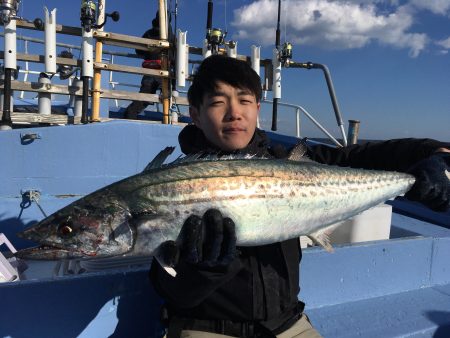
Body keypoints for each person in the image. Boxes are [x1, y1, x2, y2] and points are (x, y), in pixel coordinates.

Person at [149, 55, 450, 338]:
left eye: (245, 100)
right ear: (196, 115)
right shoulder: (170, 184)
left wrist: (433, 153)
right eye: (217, 102)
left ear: (257, 109)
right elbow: (169, 288)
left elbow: (362, 155)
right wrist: (201, 271)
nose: (234, 113)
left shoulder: (292, 162)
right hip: (207, 328)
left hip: (289, 324)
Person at [123, 11, 172, 119]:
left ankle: (130, 115)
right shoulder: (171, 34)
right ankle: (170, 118)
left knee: (144, 97)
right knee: (170, 98)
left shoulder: (148, 33)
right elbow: (175, 54)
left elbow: (138, 50)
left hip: (149, 71)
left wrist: (149, 53)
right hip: (165, 73)